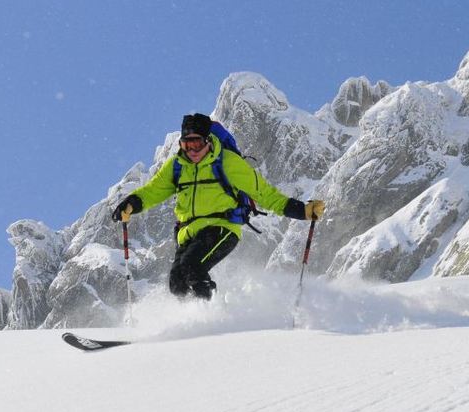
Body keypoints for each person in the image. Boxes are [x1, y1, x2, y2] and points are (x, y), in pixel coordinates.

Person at [111, 113, 325, 300]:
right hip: (187, 233)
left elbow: (265, 194)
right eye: (187, 144)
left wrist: (302, 211)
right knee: (177, 285)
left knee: (192, 267)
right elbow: (153, 190)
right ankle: (188, 327)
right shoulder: (177, 166)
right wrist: (131, 203)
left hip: (221, 227)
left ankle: (211, 317)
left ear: (207, 141)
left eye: (197, 143)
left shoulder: (227, 162)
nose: (192, 150)